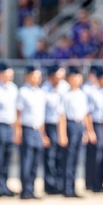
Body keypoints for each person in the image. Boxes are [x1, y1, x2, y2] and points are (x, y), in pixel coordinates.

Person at [15, 67, 49, 200]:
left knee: (35, 162)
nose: (37, 79)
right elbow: (18, 114)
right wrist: (17, 132)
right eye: (35, 76)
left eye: (39, 76)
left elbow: (41, 116)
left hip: (38, 130)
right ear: (27, 77)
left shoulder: (41, 93)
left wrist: (44, 134)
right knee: (26, 161)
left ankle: (32, 188)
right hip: (27, 129)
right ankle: (25, 190)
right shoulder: (22, 92)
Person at [61, 70, 95, 198]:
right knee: (68, 158)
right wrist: (63, 134)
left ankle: (74, 187)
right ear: (69, 79)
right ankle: (67, 188)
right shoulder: (65, 95)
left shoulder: (82, 95)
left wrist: (88, 131)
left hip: (79, 126)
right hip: (70, 125)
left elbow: (86, 115)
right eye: (74, 78)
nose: (77, 81)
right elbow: (62, 116)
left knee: (76, 158)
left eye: (79, 78)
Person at [0, 63, 19, 197]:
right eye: (7, 74)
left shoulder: (13, 88)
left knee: (7, 157)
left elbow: (17, 111)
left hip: (10, 125)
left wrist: (17, 129)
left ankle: (4, 184)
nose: (9, 77)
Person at [42, 66, 68, 195]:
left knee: (60, 155)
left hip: (61, 125)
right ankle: (50, 184)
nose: (58, 80)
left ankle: (59, 183)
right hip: (49, 124)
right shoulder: (44, 90)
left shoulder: (64, 87)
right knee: (49, 156)